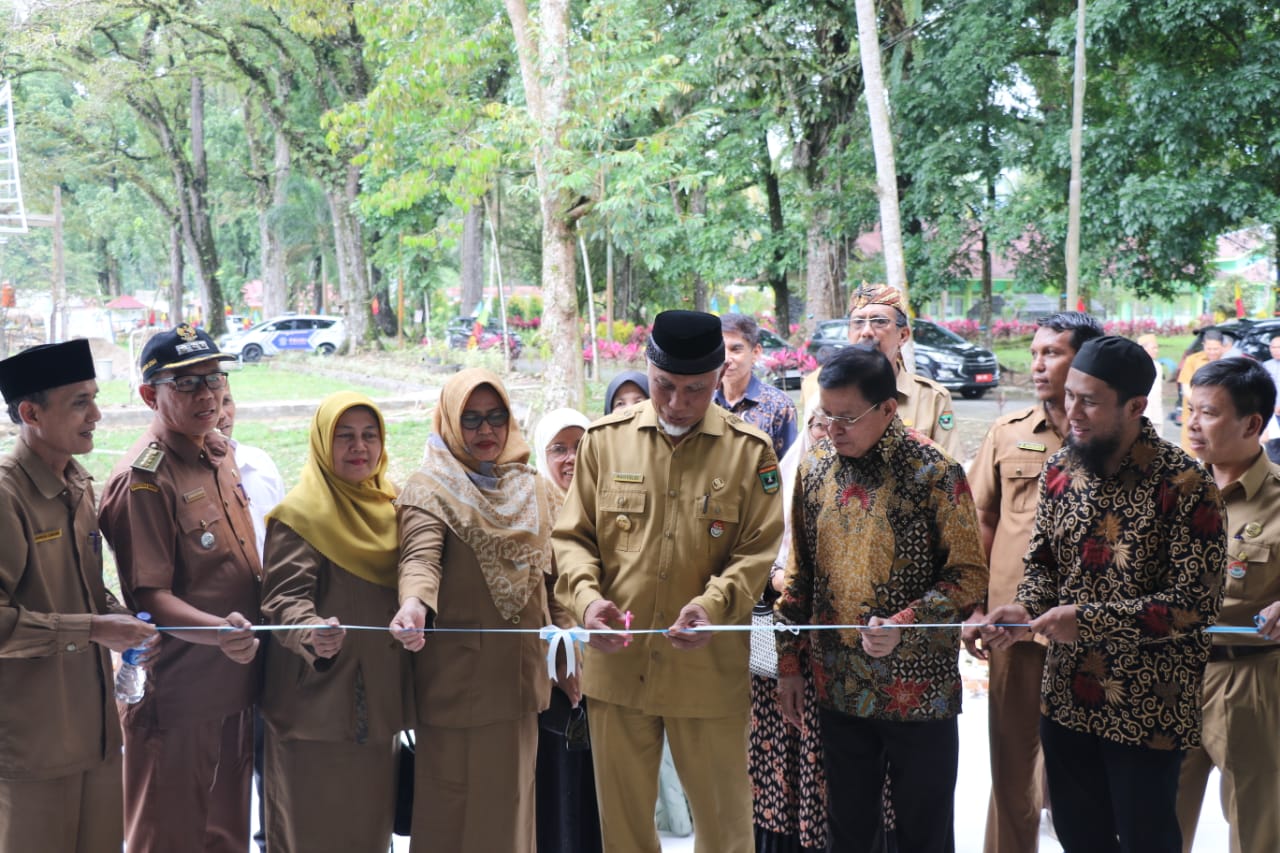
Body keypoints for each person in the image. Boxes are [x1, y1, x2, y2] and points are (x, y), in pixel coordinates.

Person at [982, 335, 1226, 853]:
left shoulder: (1185, 485)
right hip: (1067, 699)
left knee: (1147, 839)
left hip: (1148, 707)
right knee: (1077, 835)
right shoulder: (1060, 470)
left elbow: (1193, 605)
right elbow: (1042, 566)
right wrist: (1024, 607)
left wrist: (1087, 621)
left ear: (1136, 406)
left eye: (1089, 400)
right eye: (1070, 395)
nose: (1071, 410)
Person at [554, 309, 784, 853]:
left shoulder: (750, 453)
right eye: (664, 387)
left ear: (719, 377)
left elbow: (757, 551)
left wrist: (714, 604)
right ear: (647, 371)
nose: (677, 403)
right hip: (618, 670)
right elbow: (572, 538)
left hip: (706, 672)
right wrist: (586, 603)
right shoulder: (604, 442)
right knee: (626, 833)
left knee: (726, 830)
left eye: (695, 390)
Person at [776, 345, 987, 853]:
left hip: (919, 692)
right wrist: (789, 664)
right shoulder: (816, 467)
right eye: (824, 415)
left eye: (846, 418)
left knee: (923, 830)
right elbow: (801, 576)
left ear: (889, 409)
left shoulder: (934, 472)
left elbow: (968, 576)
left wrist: (906, 621)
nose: (832, 429)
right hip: (838, 685)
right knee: (847, 829)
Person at [390, 368, 571, 853]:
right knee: (451, 815)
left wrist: (569, 652)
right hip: (455, 686)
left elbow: (557, 580)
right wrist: (413, 604)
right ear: (450, 421)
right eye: (470, 419)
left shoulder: (535, 489)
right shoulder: (429, 489)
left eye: (495, 417)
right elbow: (420, 557)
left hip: (519, 683)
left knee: (512, 813)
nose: (485, 431)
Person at [99, 324, 263, 853]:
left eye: (215, 379)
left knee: (226, 835)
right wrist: (219, 634)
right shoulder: (144, 478)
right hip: (178, 698)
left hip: (235, 686)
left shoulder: (215, 452)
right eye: (187, 384)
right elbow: (149, 597)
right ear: (150, 395)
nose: (208, 395)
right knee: (168, 838)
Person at [0, 340, 156, 852]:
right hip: (34, 745)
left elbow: (85, 589)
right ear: (30, 413)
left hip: (97, 735)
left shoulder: (77, 483)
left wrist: (119, 618)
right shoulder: (7, 497)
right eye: (79, 402)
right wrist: (94, 629)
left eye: (95, 397)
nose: (97, 415)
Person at [964, 311, 1103, 853]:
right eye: (1035, 351)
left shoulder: (1115, 438)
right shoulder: (1009, 433)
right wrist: (974, 607)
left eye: (1053, 353)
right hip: (1012, 629)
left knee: (1084, 772)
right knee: (1011, 769)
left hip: (1091, 633)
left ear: (1085, 362)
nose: (1038, 363)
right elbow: (980, 520)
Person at [259, 392, 412, 852]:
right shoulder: (300, 515)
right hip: (314, 713)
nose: (358, 447)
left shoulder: (392, 508)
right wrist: (312, 633)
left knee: (369, 834)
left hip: (376, 710)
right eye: (344, 436)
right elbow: (283, 600)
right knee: (312, 834)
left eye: (369, 436)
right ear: (323, 443)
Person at [1175, 359, 1280, 853]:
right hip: (1171, 676)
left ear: (1252, 424)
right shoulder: (1172, 493)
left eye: (1209, 413)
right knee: (1157, 823)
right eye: (1189, 409)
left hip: (1250, 684)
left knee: (1257, 828)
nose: (1193, 424)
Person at [750, 399, 830, 853]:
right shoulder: (777, 484)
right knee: (783, 770)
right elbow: (753, 556)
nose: (828, 434)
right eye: (820, 425)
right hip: (781, 653)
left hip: (841, 657)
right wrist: (780, 578)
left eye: (840, 423)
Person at [533, 407, 604, 853]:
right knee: (558, 798)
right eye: (558, 449)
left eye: (580, 446)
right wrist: (565, 661)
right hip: (554, 683)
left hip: (610, 679)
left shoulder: (610, 508)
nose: (571, 458)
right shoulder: (533, 511)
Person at [218, 384, 285, 853]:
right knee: (220, 767)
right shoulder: (163, 476)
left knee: (270, 753)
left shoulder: (259, 465)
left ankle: (270, 840)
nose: (219, 412)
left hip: (272, 634)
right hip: (212, 645)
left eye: (226, 399)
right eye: (207, 398)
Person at [801, 283, 958, 456]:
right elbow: (809, 457)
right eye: (858, 323)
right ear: (848, 334)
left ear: (903, 335)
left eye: (880, 322)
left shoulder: (931, 398)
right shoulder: (817, 387)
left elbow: (950, 469)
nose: (867, 331)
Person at [714, 313, 798, 457]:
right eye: (720, 349)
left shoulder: (779, 406)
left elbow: (788, 470)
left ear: (756, 352)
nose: (726, 359)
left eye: (736, 349)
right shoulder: (703, 402)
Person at [1178, 328, 1226, 453]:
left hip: (1218, 413)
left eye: (1215, 349)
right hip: (1194, 411)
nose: (1212, 352)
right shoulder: (1193, 360)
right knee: (1190, 448)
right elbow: (1185, 385)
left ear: (1223, 347)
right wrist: (1199, 404)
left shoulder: (1228, 362)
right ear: (1204, 345)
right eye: (1209, 349)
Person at [1138, 333, 1165, 438]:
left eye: (1157, 348)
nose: (1156, 351)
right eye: (1153, 348)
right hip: (1142, 412)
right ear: (1144, 349)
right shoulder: (1136, 365)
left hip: (1156, 412)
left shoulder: (1158, 366)